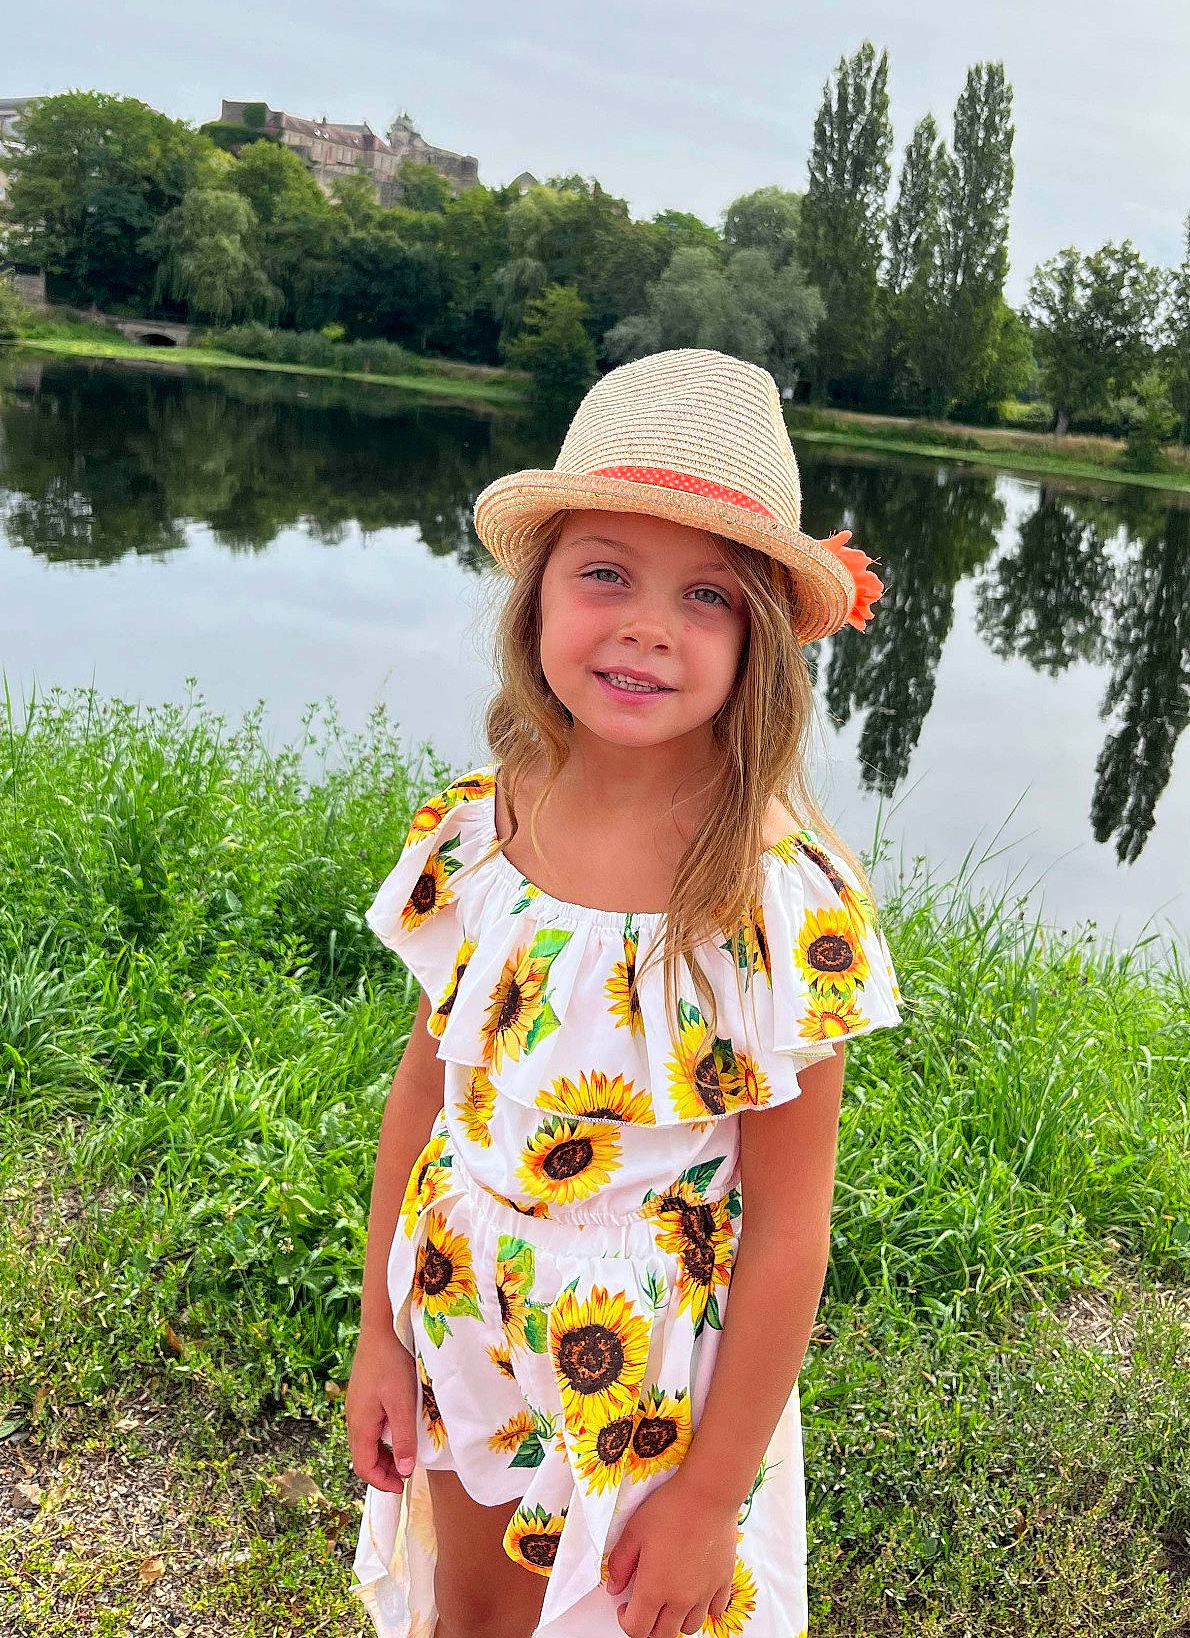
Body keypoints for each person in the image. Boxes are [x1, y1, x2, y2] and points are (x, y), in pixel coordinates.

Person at [348, 347, 902, 1638]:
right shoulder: (491, 830)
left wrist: (709, 1499)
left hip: (652, 1377)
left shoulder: (772, 897)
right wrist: (381, 1335)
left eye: (705, 593)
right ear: (538, 599)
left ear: (760, 637)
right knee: (473, 1614)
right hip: (464, 1306)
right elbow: (428, 1085)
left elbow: (790, 1234)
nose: (648, 624)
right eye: (606, 572)